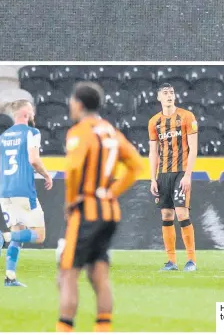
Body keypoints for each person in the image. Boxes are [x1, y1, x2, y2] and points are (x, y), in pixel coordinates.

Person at [57, 82, 143, 333]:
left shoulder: (80, 131)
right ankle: (103, 328)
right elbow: (136, 165)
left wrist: (71, 200)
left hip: (86, 210)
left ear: (79, 104)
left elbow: (73, 169)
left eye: (72, 101)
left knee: (68, 273)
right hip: (109, 211)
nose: (70, 106)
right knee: (99, 274)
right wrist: (111, 192)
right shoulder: (111, 131)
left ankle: (64, 328)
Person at [0, 99, 53, 286]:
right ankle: (4, 237)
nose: (33, 113)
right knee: (39, 235)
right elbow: (34, 160)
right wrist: (46, 175)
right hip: (23, 191)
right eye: (31, 110)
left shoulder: (1, 137)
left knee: (19, 232)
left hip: (5, 193)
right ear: (25, 114)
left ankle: (10, 277)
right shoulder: (32, 132)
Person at [148, 83, 199, 271]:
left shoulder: (187, 117)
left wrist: (188, 175)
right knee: (166, 214)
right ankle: (171, 262)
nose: (169, 95)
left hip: (181, 172)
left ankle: (191, 260)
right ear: (159, 98)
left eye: (171, 92)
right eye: (165, 93)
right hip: (163, 174)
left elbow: (193, 149)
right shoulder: (154, 122)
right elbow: (153, 152)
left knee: (181, 212)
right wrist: (153, 178)